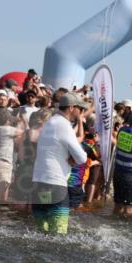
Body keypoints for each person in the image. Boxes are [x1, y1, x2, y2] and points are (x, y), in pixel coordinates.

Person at [31, 93, 90, 234]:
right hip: (56, 185)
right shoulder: (63, 125)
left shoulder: (49, 123)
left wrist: (70, 156)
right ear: (71, 108)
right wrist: (74, 159)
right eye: (79, 109)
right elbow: (82, 157)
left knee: (41, 232)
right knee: (59, 234)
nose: (81, 113)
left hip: (39, 184)